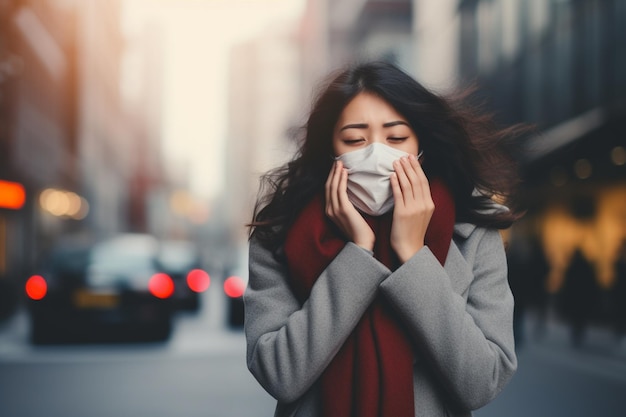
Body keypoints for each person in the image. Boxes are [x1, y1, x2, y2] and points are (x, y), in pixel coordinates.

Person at [244, 61, 522, 417]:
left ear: (421, 145)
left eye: (396, 138)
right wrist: (358, 252)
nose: (376, 154)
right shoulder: (280, 234)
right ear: (330, 148)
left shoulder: (472, 232)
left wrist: (413, 255)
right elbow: (280, 374)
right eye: (355, 140)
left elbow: (483, 381)